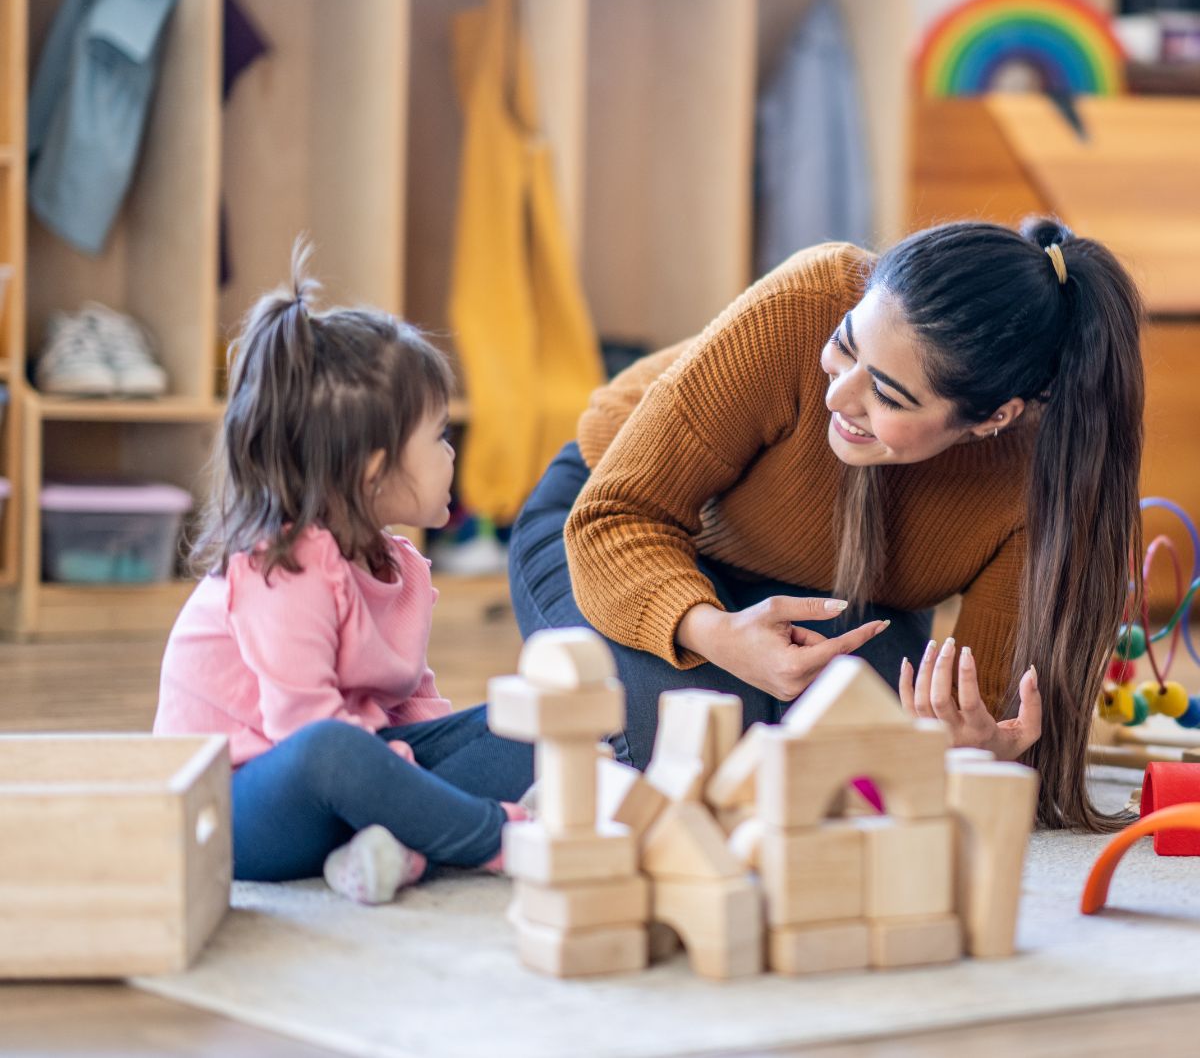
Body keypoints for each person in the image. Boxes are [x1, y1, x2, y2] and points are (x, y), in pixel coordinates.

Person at [509, 219, 1144, 831]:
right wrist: (715, 634)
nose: (836, 397)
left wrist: (973, 750)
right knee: (683, 747)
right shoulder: (805, 300)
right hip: (614, 520)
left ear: (991, 419)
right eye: (846, 344)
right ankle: (418, 765)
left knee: (850, 762)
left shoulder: (1043, 481)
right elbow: (615, 516)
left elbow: (992, 705)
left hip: (842, 594)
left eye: (890, 397)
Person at [155, 242, 534, 903]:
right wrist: (425, 790)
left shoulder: (395, 562)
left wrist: (425, 780)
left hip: (355, 774)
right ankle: (497, 836)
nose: (452, 455)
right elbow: (306, 732)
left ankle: (399, 837)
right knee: (333, 748)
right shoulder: (286, 568)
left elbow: (414, 701)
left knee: (520, 721)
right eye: (441, 437)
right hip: (244, 807)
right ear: (373, 468)